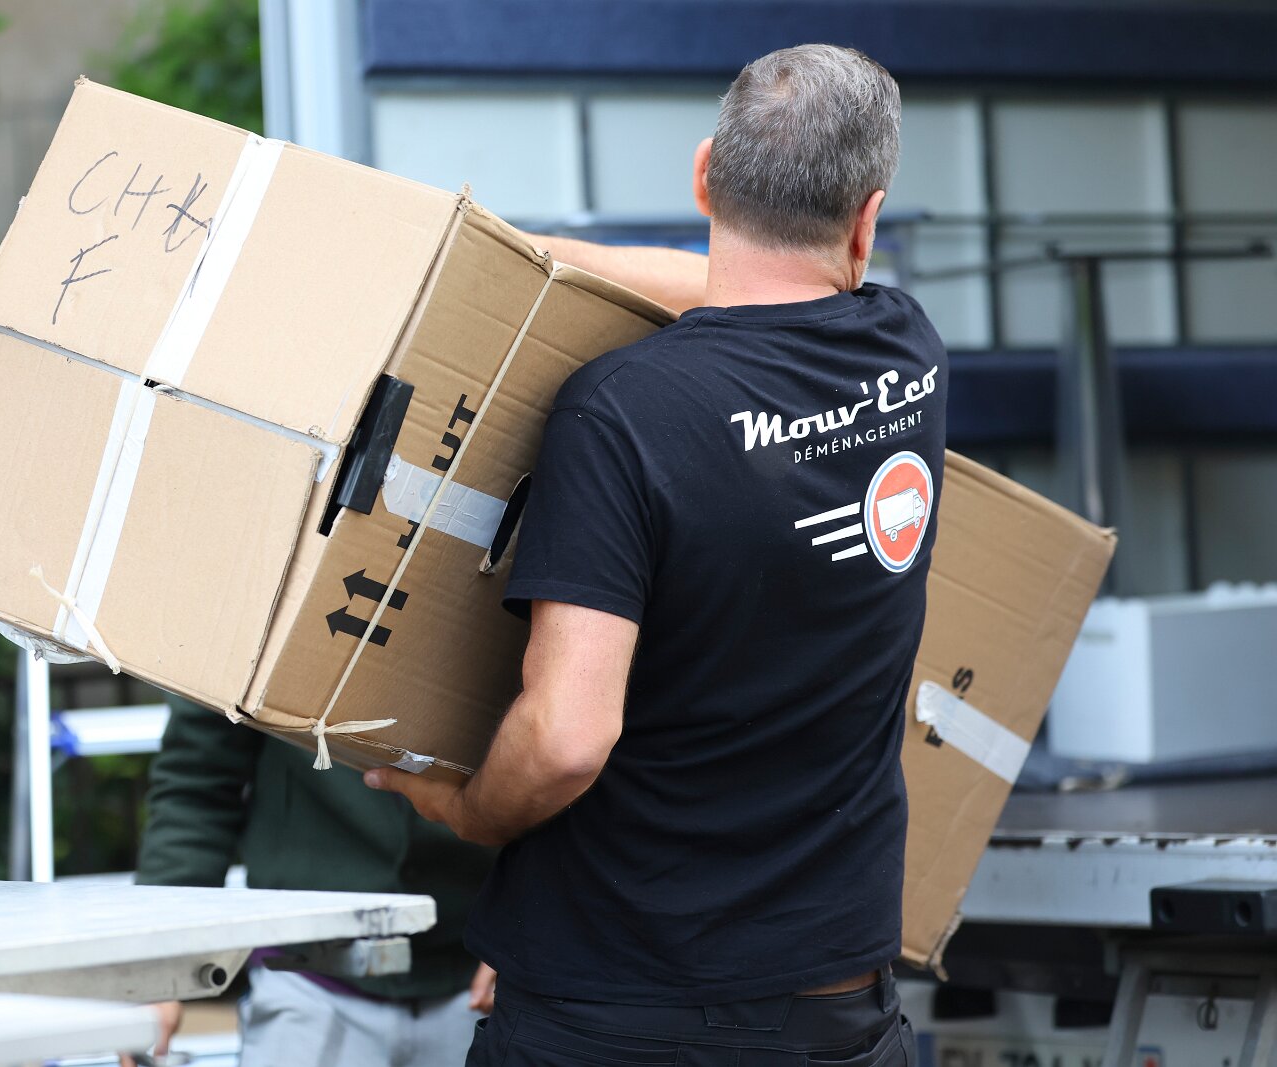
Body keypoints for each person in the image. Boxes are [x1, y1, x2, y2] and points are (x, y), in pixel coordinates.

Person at [365, 44, 943, 1067]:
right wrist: (533, 253)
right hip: (838, 1014)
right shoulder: (905, 352)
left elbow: (565, 737)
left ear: (704, 176)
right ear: (868, 218)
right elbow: (728, 294)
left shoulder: (620, 413)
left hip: (622, 1014)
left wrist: (470, 810)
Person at [135, 695, 498, 1066]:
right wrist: (157, 962)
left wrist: (526, 923)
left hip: (482, 973)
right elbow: (198, 782)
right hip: (305, 980)